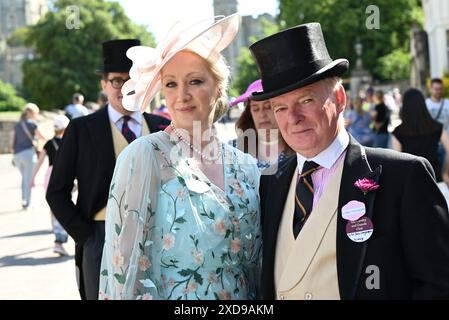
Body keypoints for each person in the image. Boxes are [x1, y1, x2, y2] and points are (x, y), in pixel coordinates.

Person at [250, 22, 449, 299]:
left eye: (305, 101)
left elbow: (438, 285)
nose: (292, 118)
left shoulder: (403, 176)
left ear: (339, 98)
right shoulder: (270, 183)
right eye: (280, 107)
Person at [98, 13, 262, 300]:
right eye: (171, 84)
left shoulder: (246, 166)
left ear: (219, 87)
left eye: (195, 81)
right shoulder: (145, 156)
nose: (182, 95)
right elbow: (124, 270)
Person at [46, 39, 170, 300]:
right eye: (117, 80)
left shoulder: (163, 128)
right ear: (103, 84)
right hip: (100, 236)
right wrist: (87, 237)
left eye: (132, 79)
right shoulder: (81, 130)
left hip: (161, 236)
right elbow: (56, 191)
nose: (125, 87)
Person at [231, 79, 293, 173]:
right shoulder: (234, 151)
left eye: (268, 107)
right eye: (255, 109)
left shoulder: (300, 150)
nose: (262, 114)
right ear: (249, 114)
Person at [30, 115, 71, 256]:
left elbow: (39, 162)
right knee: (64, 208)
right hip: (64, 176)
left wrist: (32, 178)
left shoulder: (49, 143)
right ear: (66, 128)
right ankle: (59, 241)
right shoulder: (69, 142)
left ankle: (57, 236)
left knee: (53, 208)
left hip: (49, 176)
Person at [392, 88, 449, 183]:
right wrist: (445, 173)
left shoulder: (398, 132)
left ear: (405, 105)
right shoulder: (437, 127)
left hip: (411, 182)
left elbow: (397, 162)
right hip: (435, 179)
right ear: (423, 104)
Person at [11, 103, 46, 209]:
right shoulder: (32, 124)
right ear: (31, 113)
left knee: (24, 178)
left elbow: (12, 141)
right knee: (28, 179)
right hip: (28, 154)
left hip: (17, 155)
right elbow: (42, 137)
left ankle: (24, 199)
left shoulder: (17, 125)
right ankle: (27, 203)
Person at [426, 78, 449, 174]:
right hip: (432, 142)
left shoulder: (447, 103)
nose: (438, 91)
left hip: (447, 141)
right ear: (430, 89)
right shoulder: (425, 104)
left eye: (440, 89)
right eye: (435, 89)